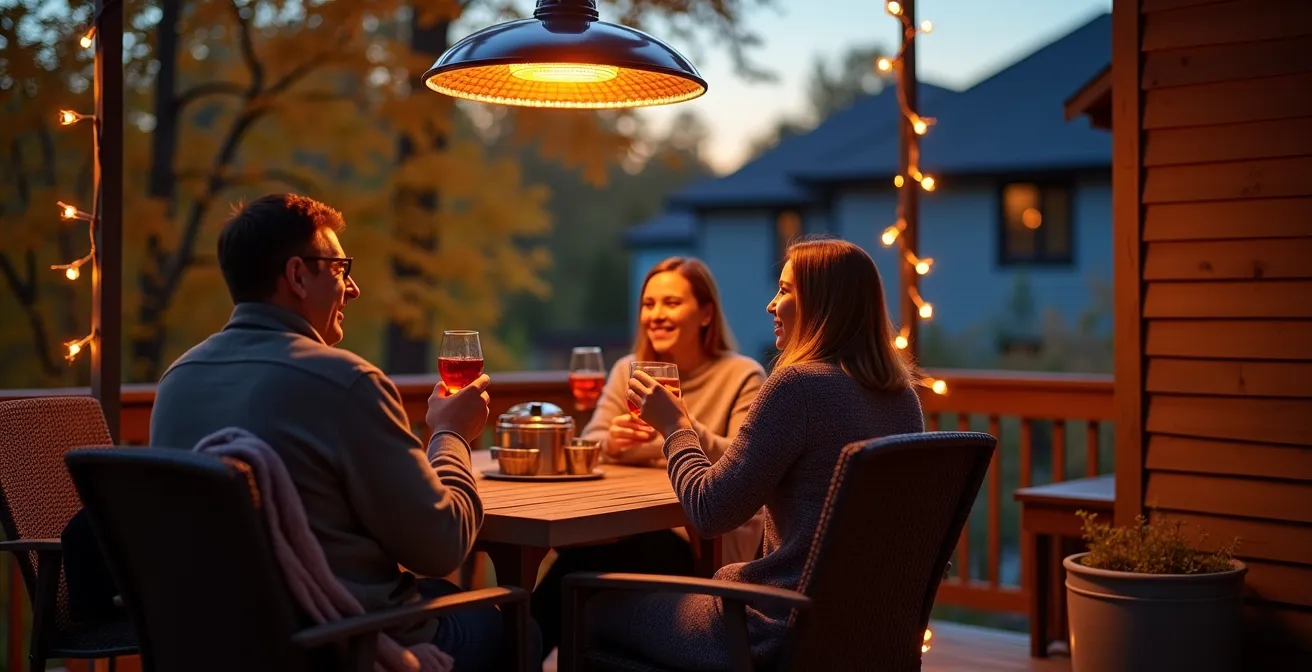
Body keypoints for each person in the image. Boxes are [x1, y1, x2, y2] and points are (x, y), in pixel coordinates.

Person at [149, 193, 539, 671]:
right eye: (339, 269)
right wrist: (451, 435)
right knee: (520, 623)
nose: (352, 289)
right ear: (297, 276)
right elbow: (441, 546)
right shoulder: (347, 383)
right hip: (343, 641)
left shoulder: (176, 381)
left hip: (217, 642)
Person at [589, 236, 926, 669]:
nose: (771, 305)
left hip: (769, 626)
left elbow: (711, 512)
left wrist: (675, 426)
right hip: (868, 628)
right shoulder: (902, 398)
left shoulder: (796, 387)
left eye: (785, 290)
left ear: (822, 303)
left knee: (591, 605)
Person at [531, 257, 766, 661]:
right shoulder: (629, 370)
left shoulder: (742, 375)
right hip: (631, 528)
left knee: (581, 566)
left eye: (671, 303)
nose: (656, 315)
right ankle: (519, 649)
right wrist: (614, 445)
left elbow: (741, 462)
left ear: (706, 313)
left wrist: (680, 426)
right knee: (584, 558)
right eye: (649, 304)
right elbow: (593, 440)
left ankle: (513, 649)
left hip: (704, 541)